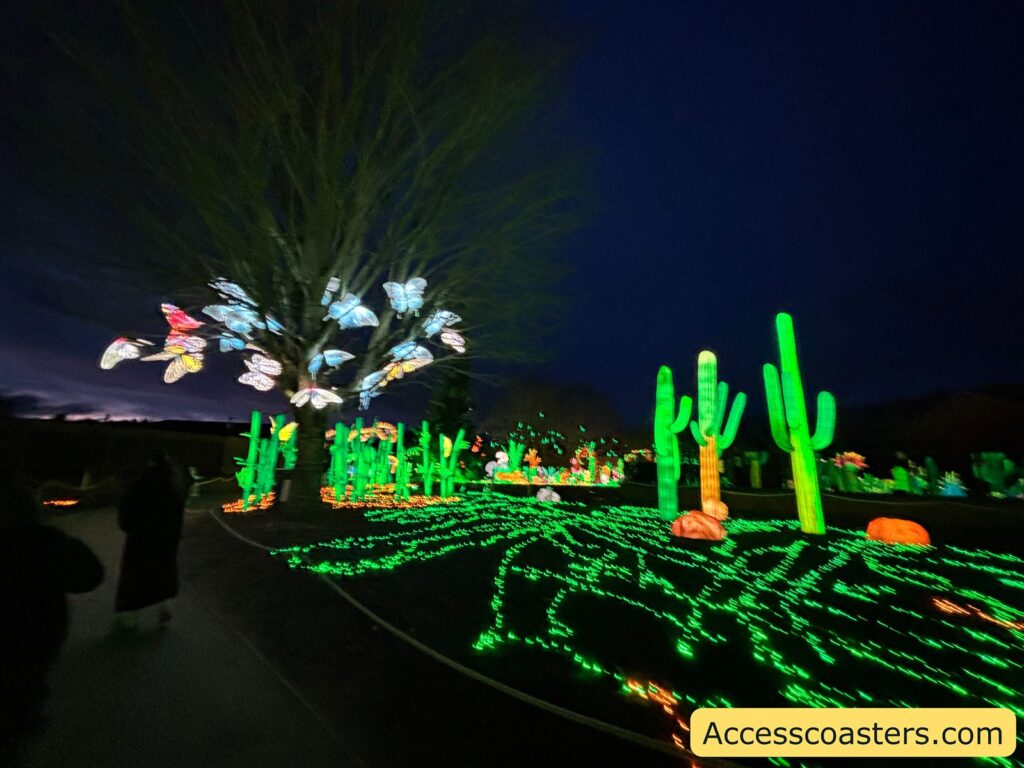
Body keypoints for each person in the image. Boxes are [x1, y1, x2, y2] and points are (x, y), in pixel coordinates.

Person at [0, 478, 104, 760]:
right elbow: (91, 576)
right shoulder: (46, 543)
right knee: (24, 690)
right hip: (37, 640)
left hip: (30, 642)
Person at [114, 452, 188, 629]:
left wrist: (129, 526)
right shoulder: (174, 489)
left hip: (140, 543)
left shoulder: (139, 487)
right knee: (162, 576)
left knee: (135, 580)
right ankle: (164, 608)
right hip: (165, 543)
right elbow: (178, 519)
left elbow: (126, 517)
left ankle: (131, 617)